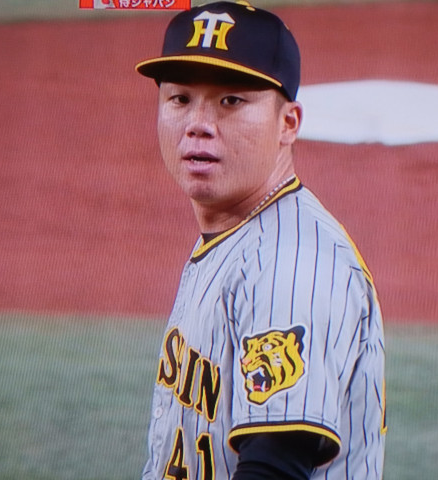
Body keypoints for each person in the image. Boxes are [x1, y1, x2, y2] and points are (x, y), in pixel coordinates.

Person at [135, 2, 386, 479]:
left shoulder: (290, 265)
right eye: (180, 98)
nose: (198, 123)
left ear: (288, 123)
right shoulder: (238, 230)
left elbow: (275, 468)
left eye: (232, 101)